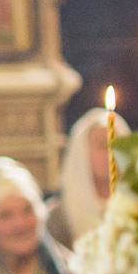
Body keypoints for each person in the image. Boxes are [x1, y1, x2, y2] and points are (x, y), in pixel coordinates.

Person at [51, 106, 114, 249]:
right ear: (83, 152)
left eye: (116, 143)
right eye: (102, 145)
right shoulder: (60, 216)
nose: (110, 152)